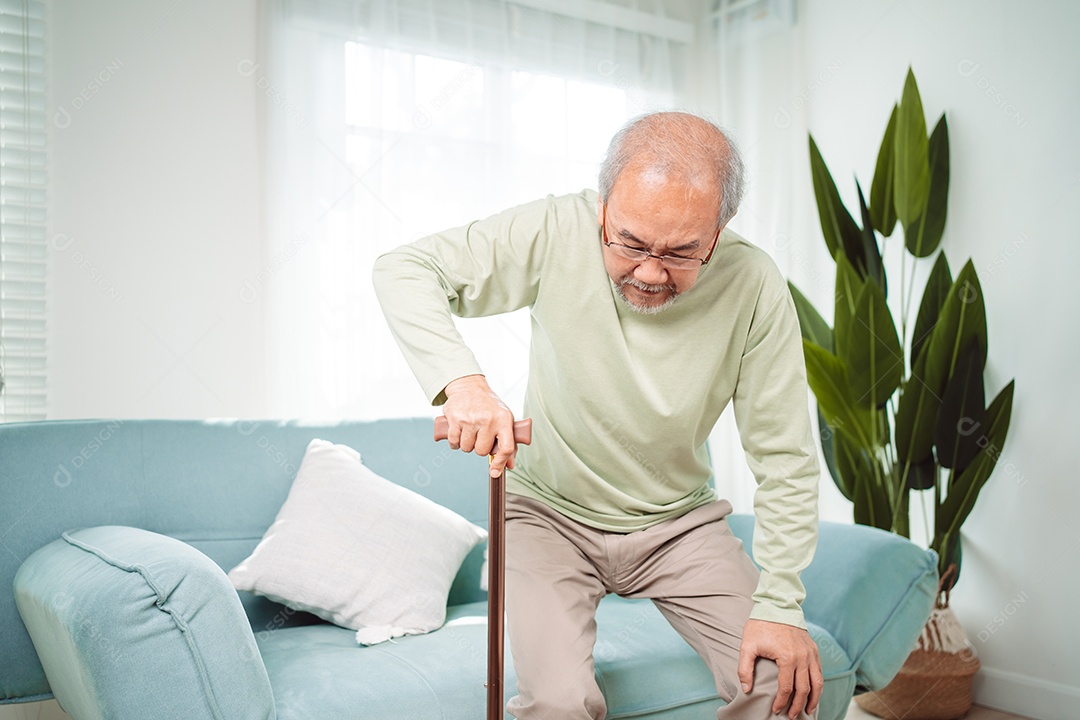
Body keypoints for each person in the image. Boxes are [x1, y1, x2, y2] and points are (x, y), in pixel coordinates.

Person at [373, 111, 823, 720]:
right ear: (604, 206)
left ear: (721, 228)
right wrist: (466, 385)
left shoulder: (754, 284)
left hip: (679, 525)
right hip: (545, 516)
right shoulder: (557, 227)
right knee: (559, 704)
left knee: (782, 687)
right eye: (631, 243)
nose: (649, 272)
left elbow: (785, 457)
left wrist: (781, 604)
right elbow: (405, 268)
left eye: (682, 253)